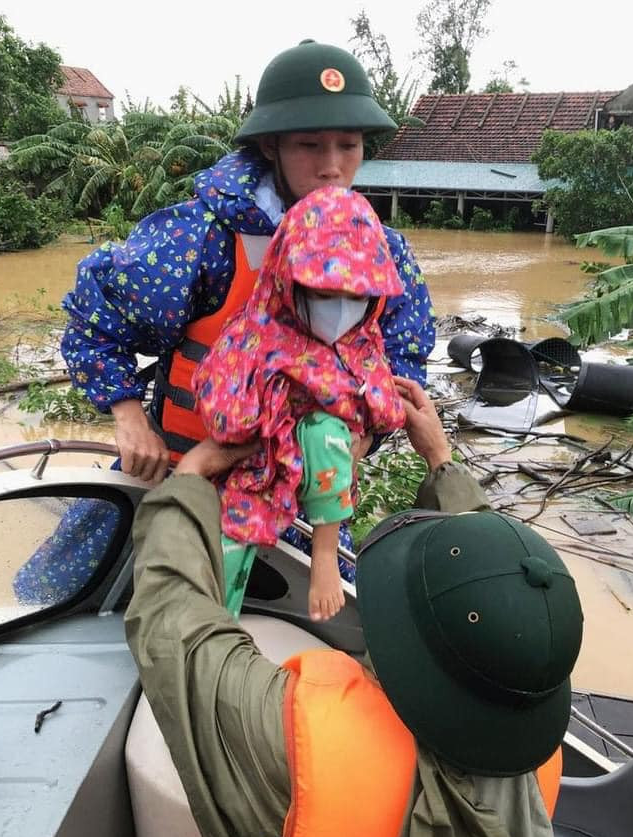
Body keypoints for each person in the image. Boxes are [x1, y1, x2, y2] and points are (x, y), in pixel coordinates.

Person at [125, 377, 584, 837]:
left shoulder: (296, 735)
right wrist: (442, 462)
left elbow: (176, 629)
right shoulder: (534, 755)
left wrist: (191, 477)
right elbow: (492, 613)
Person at [59, 39, 436, 581]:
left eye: (348, 145)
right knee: (91, 598)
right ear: (269, 147)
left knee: (331, 634)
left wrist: (367, 437)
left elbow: (402, 363)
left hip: (299, 500)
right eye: (310, 145)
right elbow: (95, 318)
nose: (332, 167)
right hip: (178, 475)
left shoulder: (382, 249)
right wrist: (128, 414)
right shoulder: (201, 236)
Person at [194, 185, 406, 622]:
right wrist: (280, 423)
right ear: (289, 281)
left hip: (320, 487)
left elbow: (385, 410)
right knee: (216, 590)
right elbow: (224, 417)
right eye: (324, 295)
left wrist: (341, 426)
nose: (341, 311)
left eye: (356, 297)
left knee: (326, 431)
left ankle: (325, 554)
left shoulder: (362, 344)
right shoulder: (256, 333)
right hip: (243, 481)